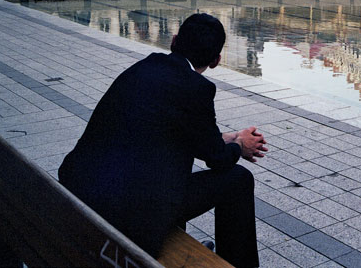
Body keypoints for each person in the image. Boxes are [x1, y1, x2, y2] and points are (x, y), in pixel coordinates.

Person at [59, 13, 265, 267]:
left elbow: (174, 131)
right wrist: (240, 146)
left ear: (174, 41)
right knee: (239, 180)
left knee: (165, 170)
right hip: (127, 219)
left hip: (78, 192)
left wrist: (227, 138)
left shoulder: (146, 66)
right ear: (216, 61)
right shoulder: (197, 88)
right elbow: (218, 160)